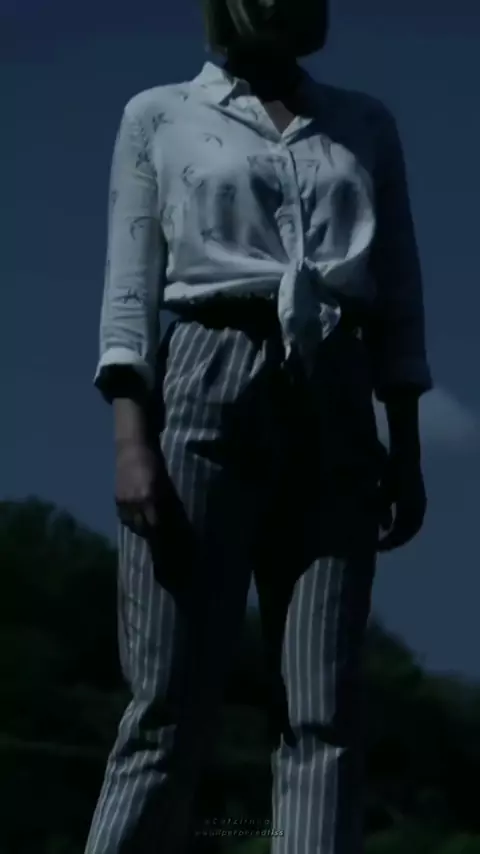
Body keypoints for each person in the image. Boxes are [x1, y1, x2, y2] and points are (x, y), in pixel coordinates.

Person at [86, 0, 433, 851]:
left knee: (324, 708)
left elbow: (398, 288)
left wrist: (405, 443)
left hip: (338, 392)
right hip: (207, 375)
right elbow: (130, 288)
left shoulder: (364, 124)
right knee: (168, 699)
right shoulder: (159, 114)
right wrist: (132, 442)